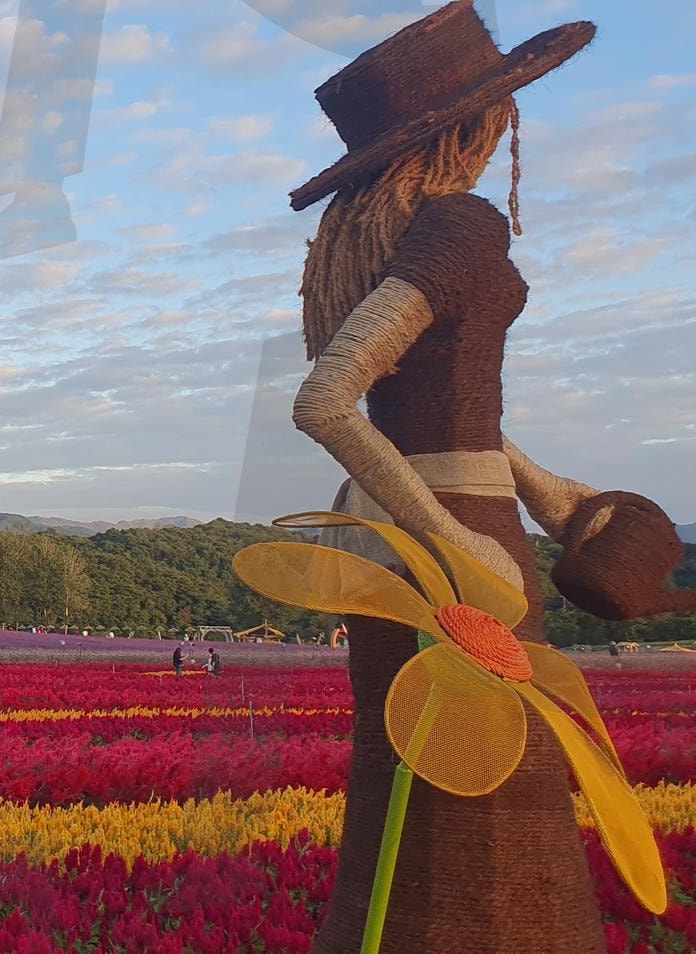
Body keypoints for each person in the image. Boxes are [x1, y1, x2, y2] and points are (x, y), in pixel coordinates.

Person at [282, 5, 695, 947]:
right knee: (497, 798)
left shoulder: (386, 232)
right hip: (450, 548)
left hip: (400, 533)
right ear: (482, 119)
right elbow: (327, 400)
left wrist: (549, 495)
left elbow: (438, 409)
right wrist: (453, 533)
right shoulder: (458, 227)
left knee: (412, 786)